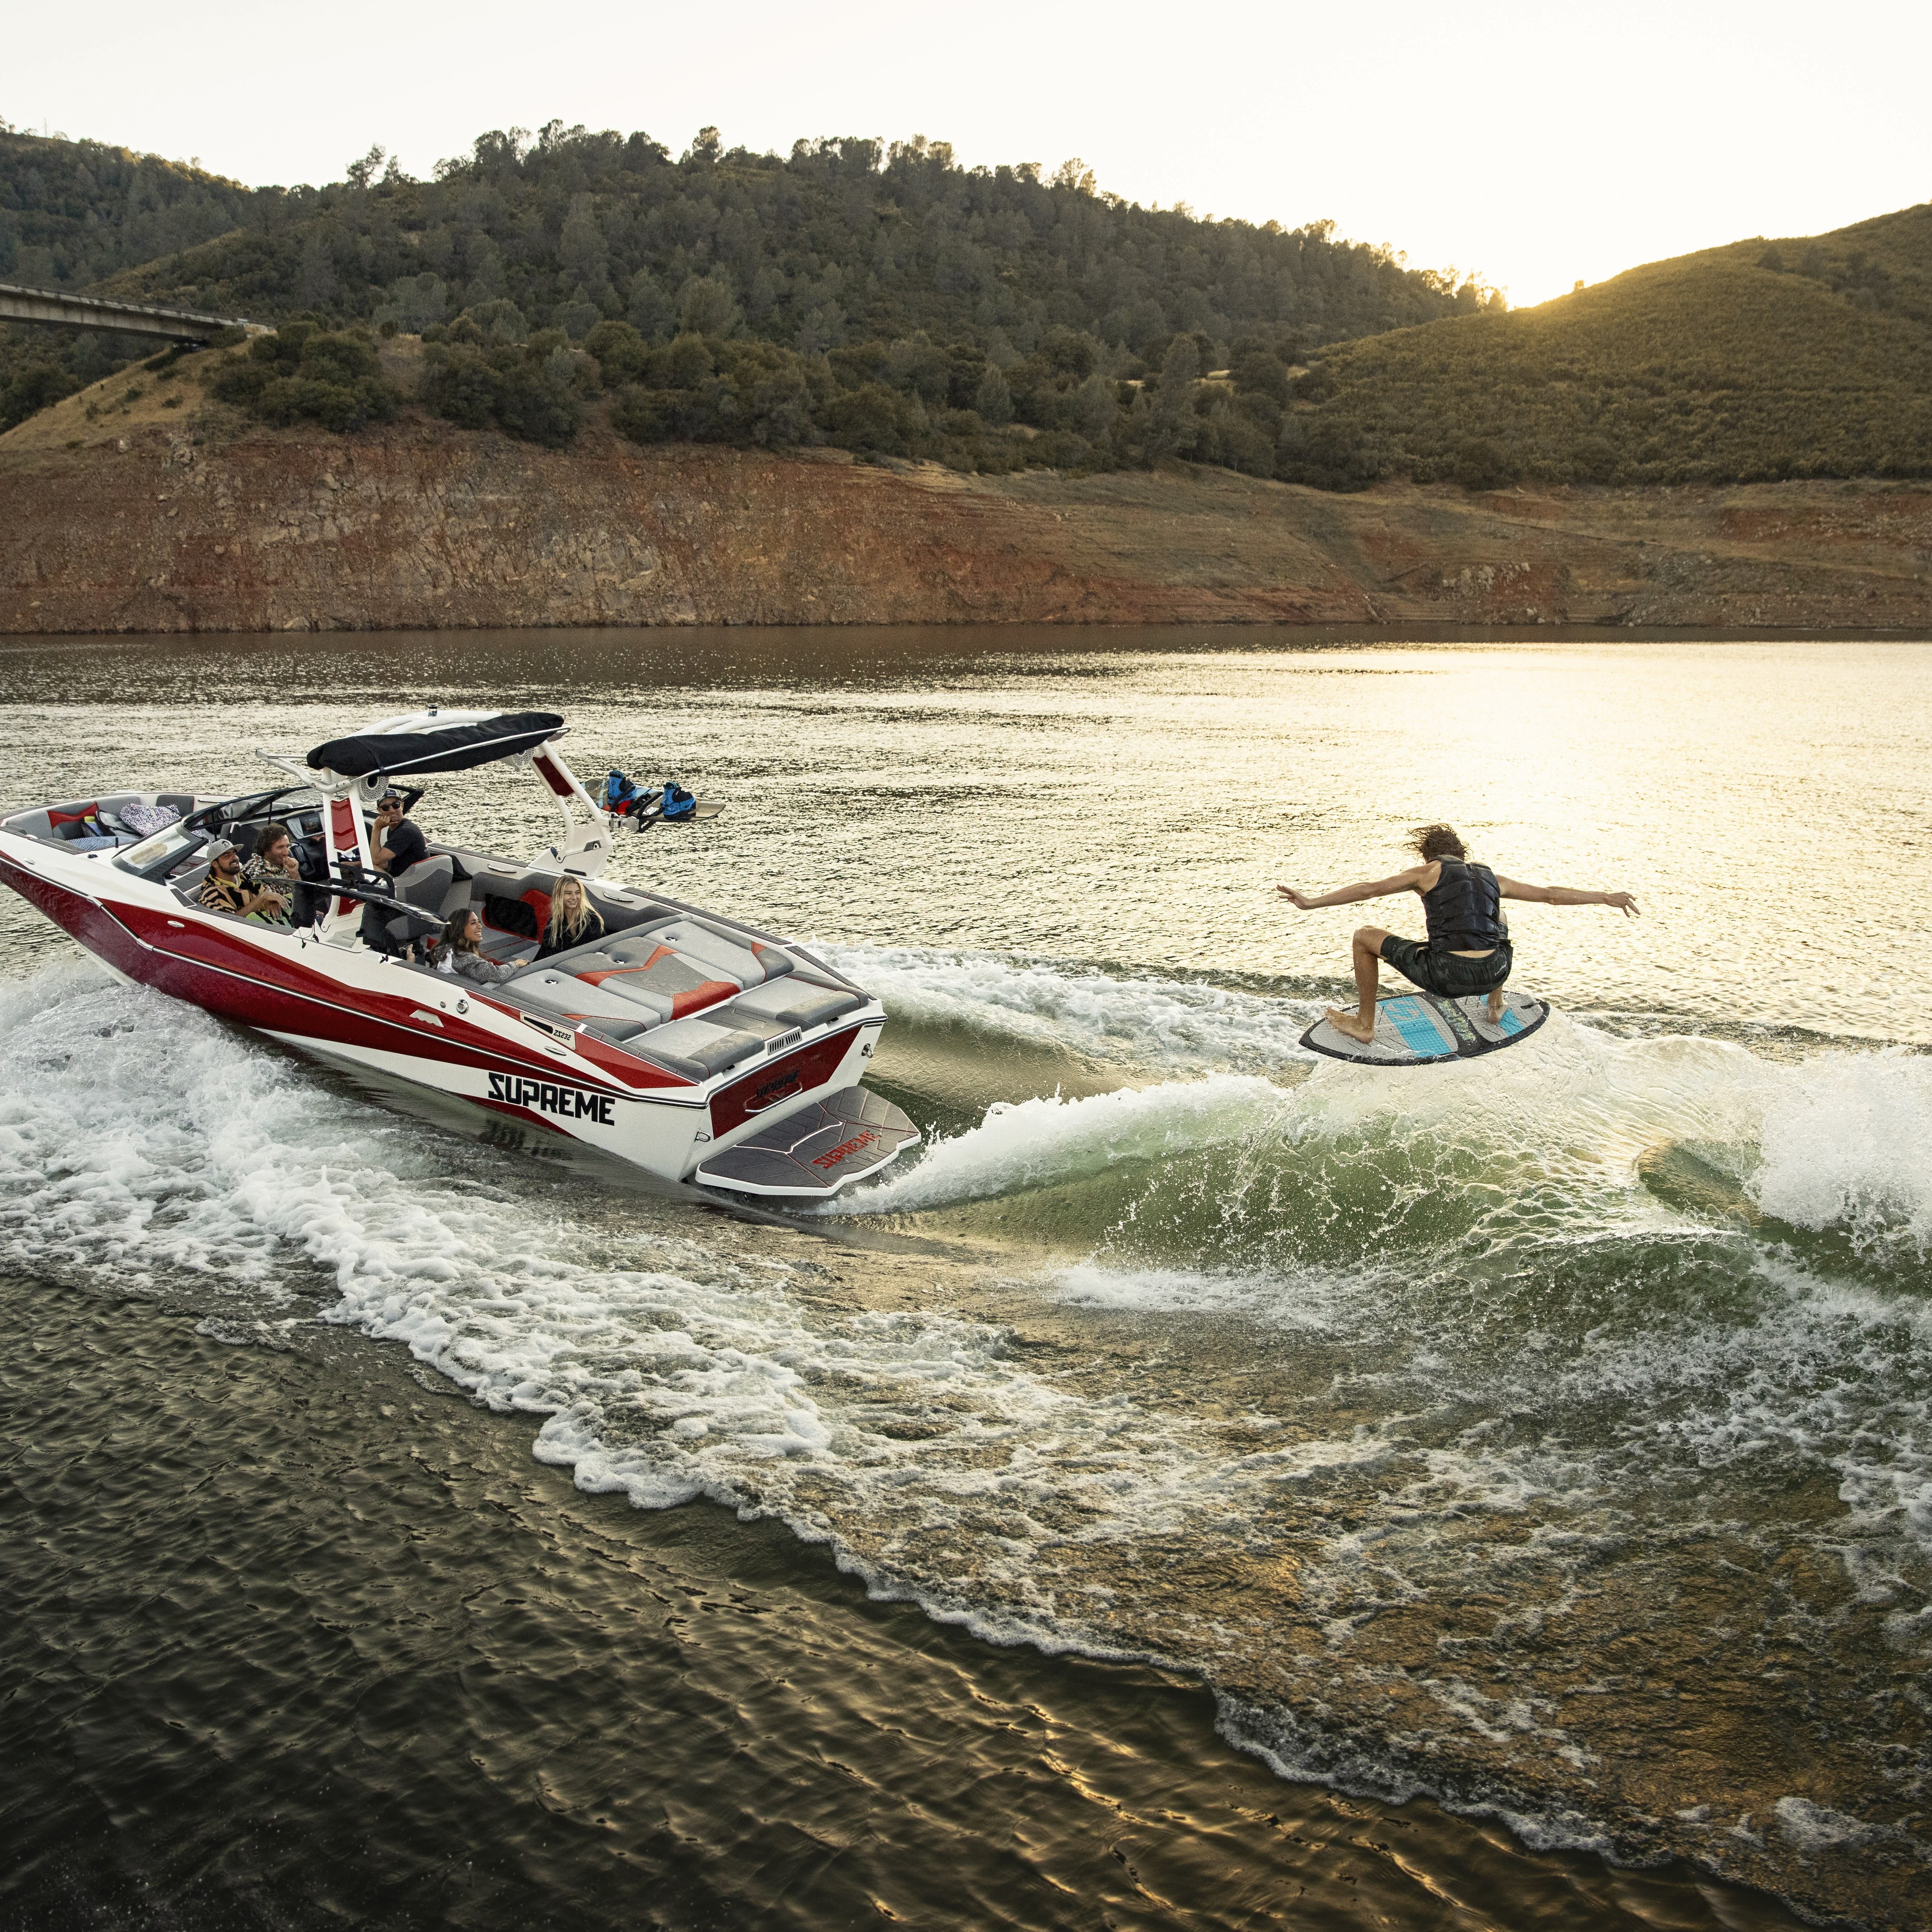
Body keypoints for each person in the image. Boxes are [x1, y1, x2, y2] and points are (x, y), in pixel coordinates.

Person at [1277, 823, 1639, 1045]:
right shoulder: (1492, 878)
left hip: (1446, 976)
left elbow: (1369, 889)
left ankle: (1364, 1024)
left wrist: (1311, 903)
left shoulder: (1426, 872)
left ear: (1427, 855)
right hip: (1495, 972)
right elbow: (1550, 895)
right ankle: (1495, 1006)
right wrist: (1606, 897)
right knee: (1498, 917)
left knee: (1364, 936)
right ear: (1463, 853)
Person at [197, 837, 290, 922]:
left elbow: (267, 897)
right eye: (227, 856)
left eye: (234, 853)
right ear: (215, 864)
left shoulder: (244, 878)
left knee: (290, 898)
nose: (235, 858)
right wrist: (262, 897)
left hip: (267, 926)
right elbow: (232, 921)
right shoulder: (213, 893)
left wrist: (271, 901)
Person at [427, 908, 519, 984]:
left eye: (479, 922)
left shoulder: (448, 951)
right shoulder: (462, 958)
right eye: (473, 923)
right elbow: (496, 974)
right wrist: (515, 964)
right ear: (459, 928)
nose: (480, 927)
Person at [241, 821, 301, 925]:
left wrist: (294, 874)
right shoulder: (256, 872)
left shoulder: (282, 865)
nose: (286, 852)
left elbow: (300, 897)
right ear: (266, 849)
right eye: (280, 848)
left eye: (287, 846)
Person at [535, 874, 605, 959]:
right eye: (569, 893)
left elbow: (596, 951)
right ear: (560, 896)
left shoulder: (592, 919)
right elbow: (544, 954)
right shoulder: (553, 924)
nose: (574, 898)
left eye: (578, 893)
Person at [370, 787, 427, 876]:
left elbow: (375, 860)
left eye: (396, 805)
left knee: (369, 868)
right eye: (386, 808)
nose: (392, 810)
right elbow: (384, 862)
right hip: (410, 875)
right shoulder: (396, 828)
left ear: (402, 806)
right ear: (380, 811)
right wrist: (356, 864)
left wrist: (377, 828)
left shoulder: (405, 832)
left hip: (413, 881)